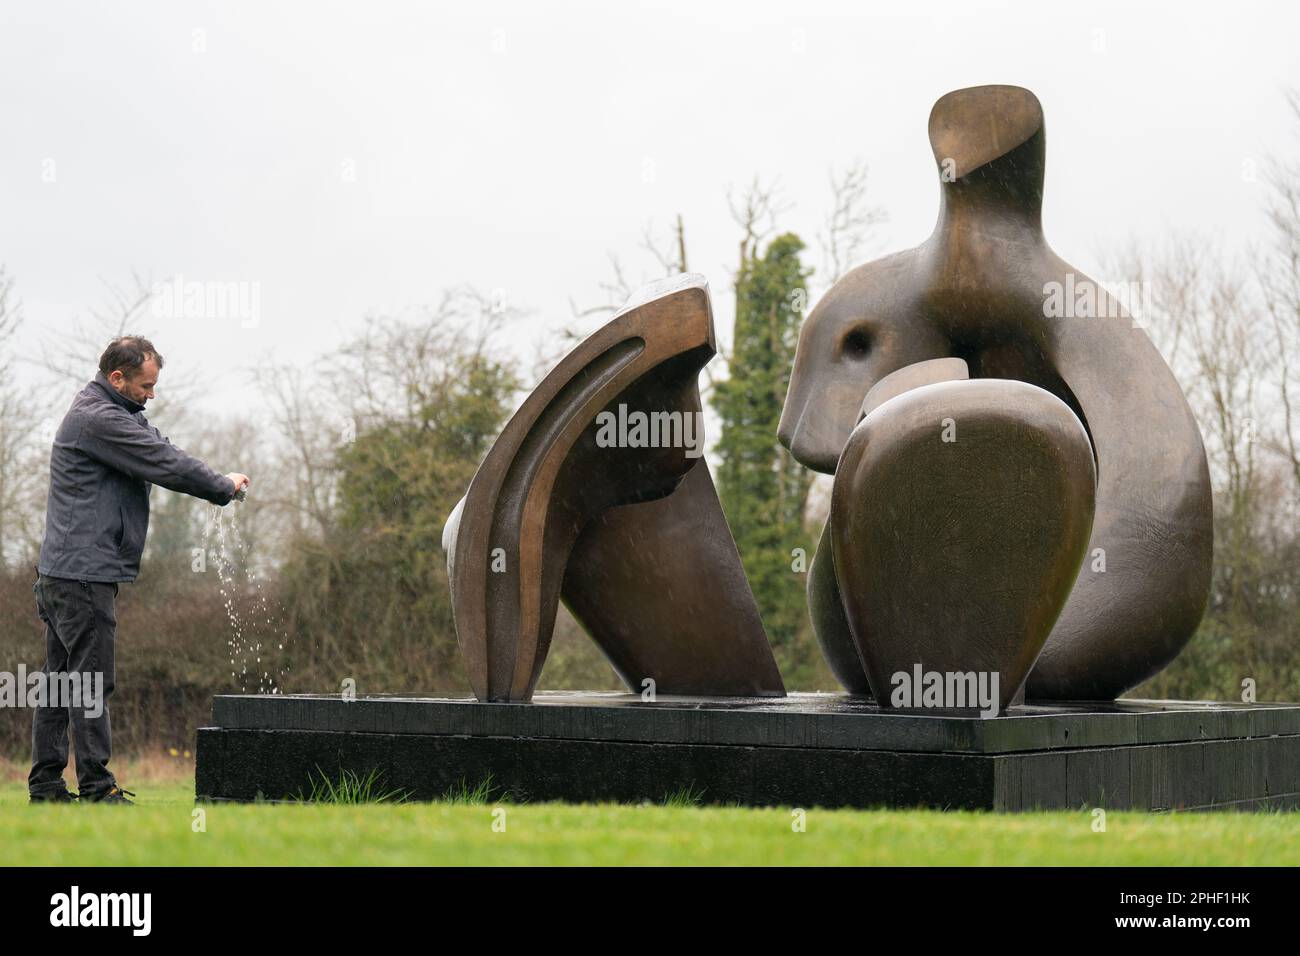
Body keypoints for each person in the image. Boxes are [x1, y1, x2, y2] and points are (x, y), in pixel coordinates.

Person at [29, 335, 250, 805]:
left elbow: (162, 447)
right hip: (83, 574)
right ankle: (96, 787)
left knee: (58, 682)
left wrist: (218, 479)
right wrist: (221, 487)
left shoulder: (115, 414)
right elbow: (163, 463)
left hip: (65, 572)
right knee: (90, 681)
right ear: (117, 378)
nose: (152, 394)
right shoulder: (99, 419)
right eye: (146, 386)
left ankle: (46, 786)